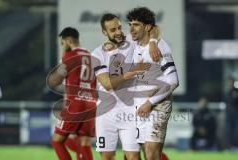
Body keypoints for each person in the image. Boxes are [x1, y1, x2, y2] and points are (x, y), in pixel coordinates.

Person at [91, 13, 160, 160]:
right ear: (104, 32)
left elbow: (153, 28)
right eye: (112, 30)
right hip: (106, 113)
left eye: (119, 27)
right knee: (107, 157)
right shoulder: (97, 54)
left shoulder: (132, 41)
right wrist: (132, 71)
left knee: (134, 157)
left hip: (129, 111)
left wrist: (153, 41)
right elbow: (107, 84)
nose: (118, 32)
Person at [126, 7, 179, 160]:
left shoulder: (160, 47)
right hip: (140, 106)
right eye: (130, 24)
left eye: (135, 24)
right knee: (145, 153)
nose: (131, 29)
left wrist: (150, 103)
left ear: (147, 27)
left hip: (157, 106)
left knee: (152, 155)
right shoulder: (137, 46)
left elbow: (173, 81)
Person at [47, 27, 96, 160]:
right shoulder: (91, 56)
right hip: (91, 103)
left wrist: (58, 69)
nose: (63, 47)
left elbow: (55, 81)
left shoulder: (69, 56)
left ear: (68, 41)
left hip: (75, 104)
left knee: (57, 141)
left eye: (63, 43)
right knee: (84, 142)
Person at [225, 76, 238, 149]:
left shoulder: (236, 91)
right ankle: (230, 146)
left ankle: (236, 146)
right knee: (229, 132)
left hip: (236, 115)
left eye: (231, 81)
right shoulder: (227, 92)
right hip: (229, 116)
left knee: (236, 131)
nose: (230, 83)